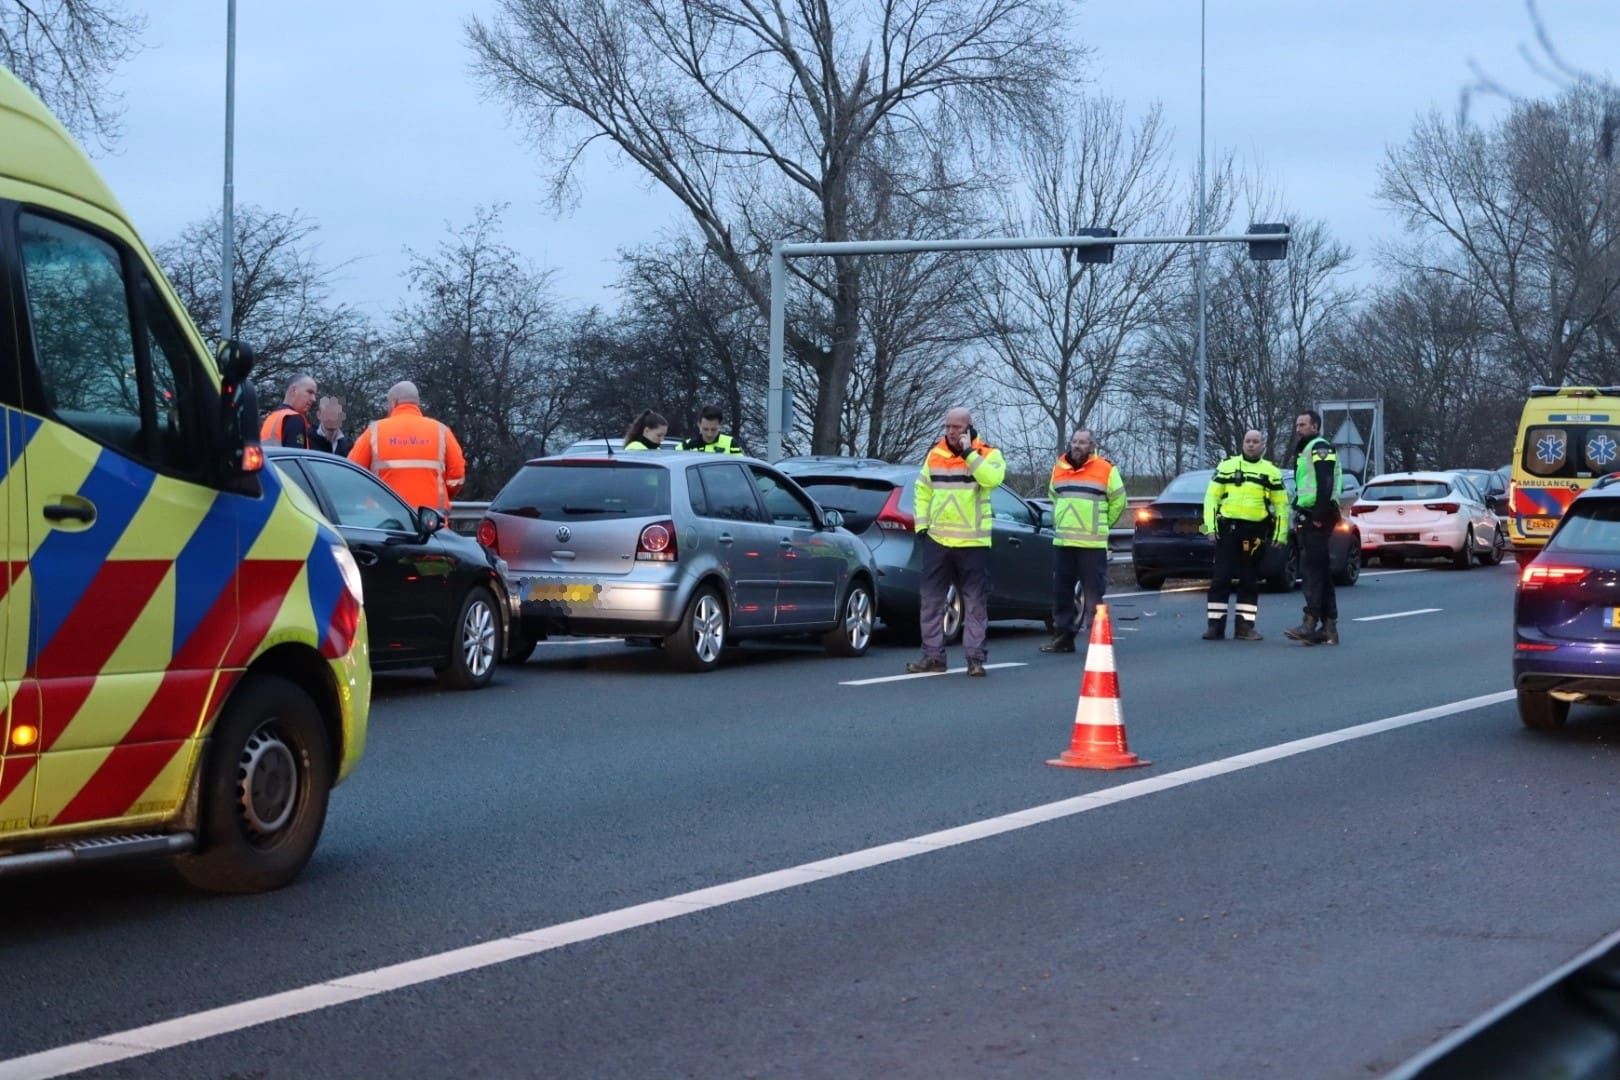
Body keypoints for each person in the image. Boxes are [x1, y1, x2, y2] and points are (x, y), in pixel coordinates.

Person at [905, 407, 1006, 678]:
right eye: (948, 426)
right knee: (931, 601)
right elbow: (922, 491)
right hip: (938, 540)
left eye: (957, 427)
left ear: (968, 428)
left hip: (973, 542)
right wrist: (922, 526)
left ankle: (975, 658)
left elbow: (993, 480)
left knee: (975, 603)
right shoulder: (935, 454)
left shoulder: (988, 454)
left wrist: (969, 453)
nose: (951, 431)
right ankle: (933, 656)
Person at [1039, 428, 1126, 653]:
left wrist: (1103, 525)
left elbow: (1119, 501)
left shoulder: (1106, 468)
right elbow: (1054, 496)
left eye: (1083, 442)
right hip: (1064, 542)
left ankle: (1097, 641)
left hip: (1091, 544)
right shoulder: (1059, 467)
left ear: (1092, 446)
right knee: (1062, 593)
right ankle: (1063, 638)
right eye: (1075, 441)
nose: (1077, 446)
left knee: (1093, 595)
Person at [1201, 430, 1289, 641]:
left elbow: (1281, 505)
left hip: (1255, 532)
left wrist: (1280, 534)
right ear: (1242, 443)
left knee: (1249, 579)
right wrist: (1210, 528)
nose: (1251, 445)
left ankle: (1245, 627)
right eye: (1248, 441)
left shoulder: (1271, 472)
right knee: (1220, 577)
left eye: (1255, 441)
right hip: (1228, 529)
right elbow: (1211, 498)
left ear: (1263, 445)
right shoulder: (1227, 467)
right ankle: (1215, 627)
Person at [348, 381, 466, 514]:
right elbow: (457, 476)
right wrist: (440, 494)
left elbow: (352, 472)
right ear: (417, 403)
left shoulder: (374, 431)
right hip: (430, 518)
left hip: (385, 518)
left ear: (394, 403)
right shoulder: (441, 431)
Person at [1284, 410, 1342, 646]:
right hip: (1310, 513)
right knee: (1321, 570)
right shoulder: (1306, 448)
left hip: (1317, 515)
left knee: (1312, 571)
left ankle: (1310, 622)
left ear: (1315, 426)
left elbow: (1325, 480)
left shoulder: (1320, 447)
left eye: (1303, 424)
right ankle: (1328, 627)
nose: (1298, 428)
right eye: (1297, 424)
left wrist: (1319, 513)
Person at [259, 375, 318, 448]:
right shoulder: (294, 418)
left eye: (314, 394)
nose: (313, 399)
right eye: (310, 392)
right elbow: (296, 454)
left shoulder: (272, 417)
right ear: (293, 390)